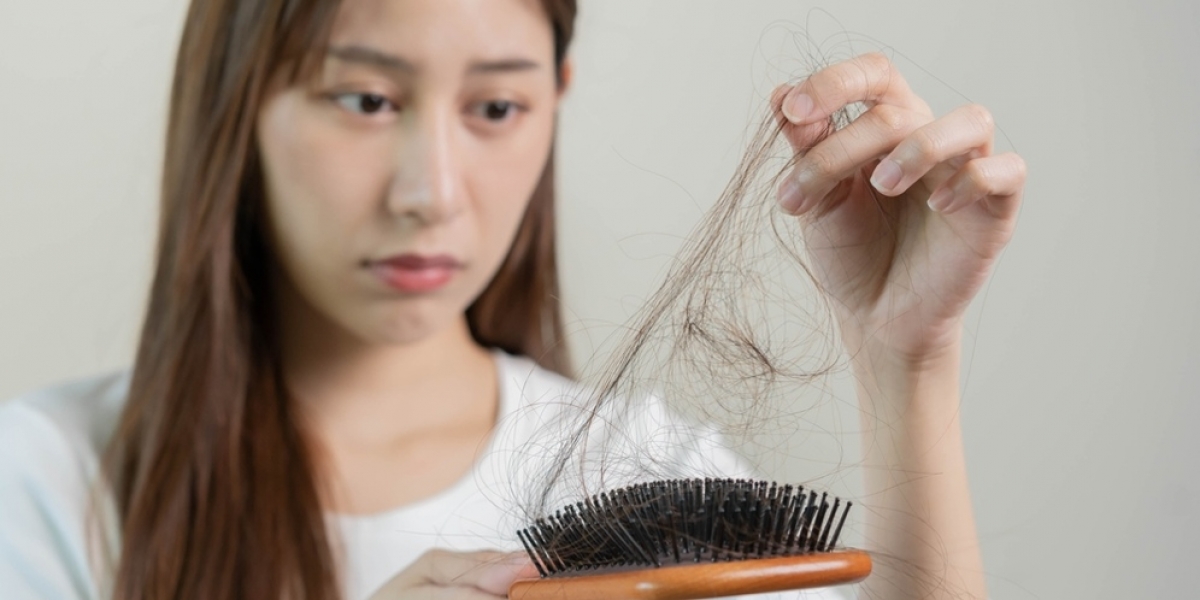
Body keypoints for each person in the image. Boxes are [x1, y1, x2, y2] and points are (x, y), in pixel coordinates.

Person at [0, 0, 1026, 599]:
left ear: (556, 100)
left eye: (496, 106)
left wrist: (908, 356)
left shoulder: (648, 480)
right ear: (238, 103)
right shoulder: (45, 484)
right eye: (365, 99)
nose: (431, 191)